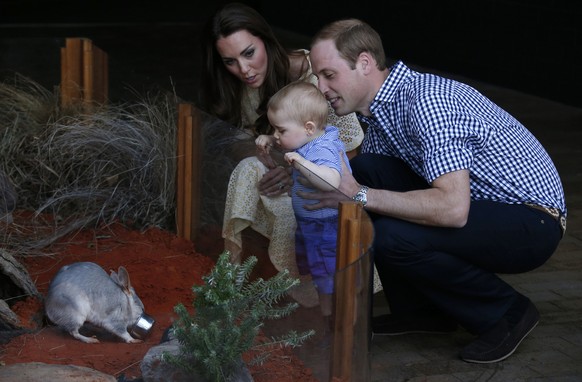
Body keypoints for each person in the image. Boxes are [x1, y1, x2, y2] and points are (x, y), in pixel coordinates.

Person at [305, 18, 566, 363]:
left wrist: (361, 195)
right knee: (368, 170)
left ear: (364, 63)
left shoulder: (427, 101)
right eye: (318, 77)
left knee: (392, 234)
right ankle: (424, 311)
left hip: (532, 221)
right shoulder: (381, 112)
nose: (321, 88)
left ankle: (507, 312)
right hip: (483, 206)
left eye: (329, 74)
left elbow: (453, 209)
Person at [199, 3, 374, 307]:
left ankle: (330, 307)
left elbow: (352, 151)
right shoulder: (241, 84)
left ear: (266, 40)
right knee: (246, 169)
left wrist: (294, 171)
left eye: (249, 53)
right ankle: (232, 272)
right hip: (288, 177)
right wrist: (273, 161)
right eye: (230, 61)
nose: (243, 69)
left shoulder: (316, 77)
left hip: (331, 186)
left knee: (324, 258)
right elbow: (239, 138)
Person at [256, 81, 351, 319]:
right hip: (312, 223)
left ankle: (335, 319)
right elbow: (292, 142)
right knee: (320, 275)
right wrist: (271, 139)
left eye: (280, 130)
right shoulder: (309, 140)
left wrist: (302, 164)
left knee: (329, 275)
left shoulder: (322, 150)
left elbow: (331, 180)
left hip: (327, 226)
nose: (277, 136)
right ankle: (328, 314)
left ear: (308, 127)